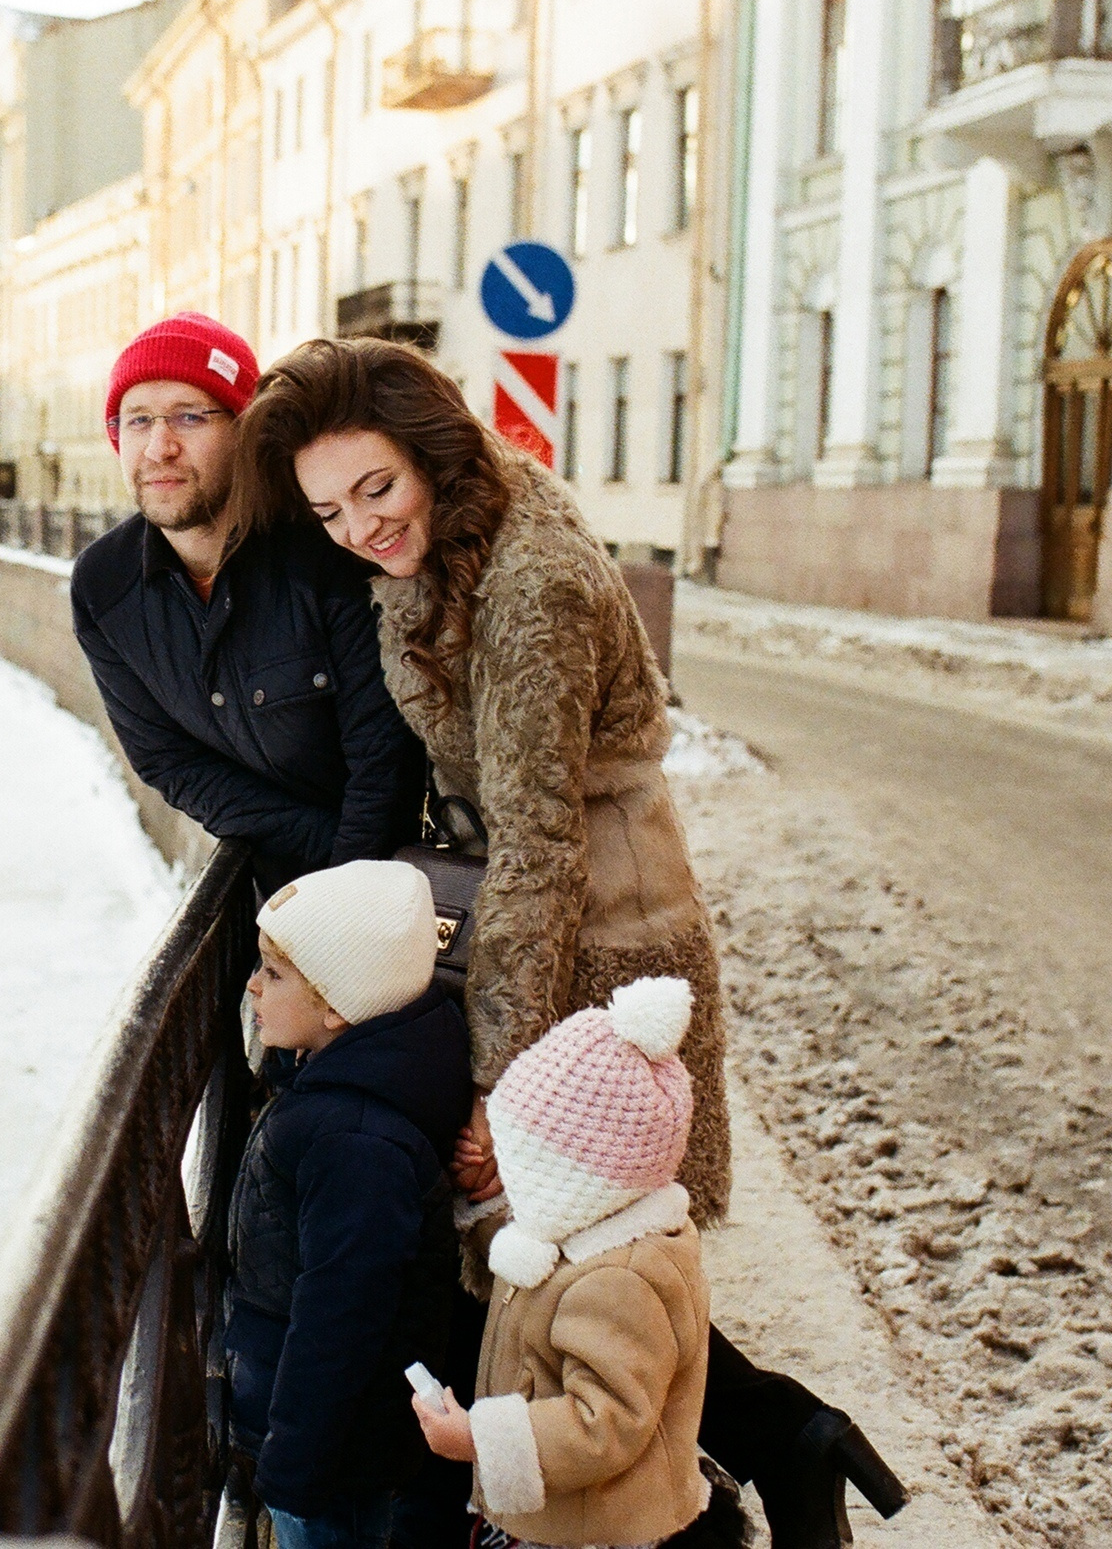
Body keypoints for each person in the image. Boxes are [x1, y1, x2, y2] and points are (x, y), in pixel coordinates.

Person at [237, 337, 907, 1549]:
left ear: (429, 450)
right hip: (547, 916)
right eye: (329, 508)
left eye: (376, 489)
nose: (357, 527)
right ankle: (783, 1439)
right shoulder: (451, 532)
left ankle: (675, 1505)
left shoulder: (530, 583)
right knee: (575, 1264)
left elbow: (541, 839)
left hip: (601, 933)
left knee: (576, 1269)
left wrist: (499, 1077)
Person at [70, 313, 426, 892]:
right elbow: (170, 763)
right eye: (138, 421)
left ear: (244, 430)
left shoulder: (329, 546)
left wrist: (336, 908)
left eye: (190, 416)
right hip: (287, 891)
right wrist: (315, 852)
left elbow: (386, 762)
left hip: (403, 892)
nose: (160, 447)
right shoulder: (104, 588)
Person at [414, 977, 745, 1549]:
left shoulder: (619, 1281)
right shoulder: (581, 1235)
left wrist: (477, 1438)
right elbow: (537, 1291)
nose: (506, 1171)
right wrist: (482, 1205)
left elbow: (607, 1421)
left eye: (521, 1159)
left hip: (598, 1531)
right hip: (566, 1516)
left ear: (574, 1180)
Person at [226, 860, 476, 1549]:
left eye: (274, 974)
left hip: (328, 1458)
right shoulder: (340, 1094)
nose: (251, 986)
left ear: (338, 1006)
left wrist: (293, 1464)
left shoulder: (355, 1140)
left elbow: (342, 1314)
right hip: (324, 1439)